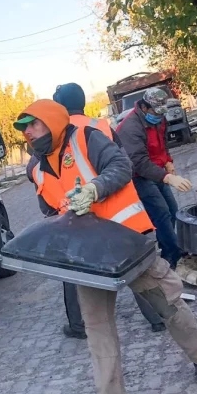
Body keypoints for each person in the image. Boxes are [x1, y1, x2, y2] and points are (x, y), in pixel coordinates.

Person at [15, 99, 197, 394]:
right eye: (23, 128)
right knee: (97, 327)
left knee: (167, 305)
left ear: (51, 120)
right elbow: (50, 210)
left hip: (127, 241)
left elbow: (122, 168)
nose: (28, 133)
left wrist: (95, 189)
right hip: (89, 255)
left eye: (33, 124)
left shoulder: (85, 138)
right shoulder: (36, 168)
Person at [47, 83, 164, 339]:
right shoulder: (100, 126)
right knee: (136, 267)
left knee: (71, 272)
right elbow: (124, 164)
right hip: (117, 214)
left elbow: (47, 192)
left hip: (78, 221)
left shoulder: (55, 137)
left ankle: (79, 326)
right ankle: (158, 317)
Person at [115, 87, 191, 269]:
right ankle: (173, 257)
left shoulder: (159, 118)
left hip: (157, 170)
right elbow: (139, 162)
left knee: (173, 210)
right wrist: (167, 178)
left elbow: (162, 144)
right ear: (144, 107)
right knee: (162, 214)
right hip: (138, 175)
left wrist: (168, 162)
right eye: (156, 112)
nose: (159, 116)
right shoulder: (129, 128)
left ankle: (168, 249)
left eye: (162, 112)